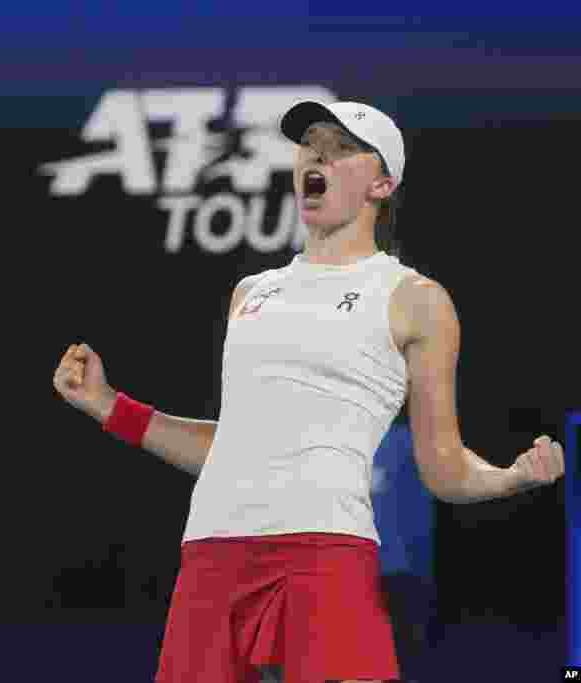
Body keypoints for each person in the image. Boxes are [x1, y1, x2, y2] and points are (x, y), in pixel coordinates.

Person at [52, 100, 566, 683]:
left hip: (324, 552)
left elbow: (442, 465)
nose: (319, 154)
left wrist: (513, 476)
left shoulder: (414, 298)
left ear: (382, 184)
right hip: (210, 554)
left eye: (344, 147)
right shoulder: (251, 292)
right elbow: (237, 445)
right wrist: (108, 406)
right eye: (311, 144)